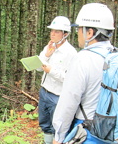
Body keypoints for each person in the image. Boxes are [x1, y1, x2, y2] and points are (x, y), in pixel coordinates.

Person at [52, 3, 115, 144]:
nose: (78, 34)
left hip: (87, 130)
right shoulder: (117, 56)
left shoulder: (82, 59)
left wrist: (59, 136)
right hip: (112, 130)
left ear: (90, 32)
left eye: (80, 29)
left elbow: (69, 101)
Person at [37, 16, 77, 144]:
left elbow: (70, 79)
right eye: (52, 31)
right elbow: (38, 67)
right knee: (45, 124)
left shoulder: (71, 53)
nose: (52, 34)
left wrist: (51, 71)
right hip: (45, 91)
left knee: (58, 127)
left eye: (57, 31)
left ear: (65, 34)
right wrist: (46, 55)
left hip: (58, 96)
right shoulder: (49, 47)